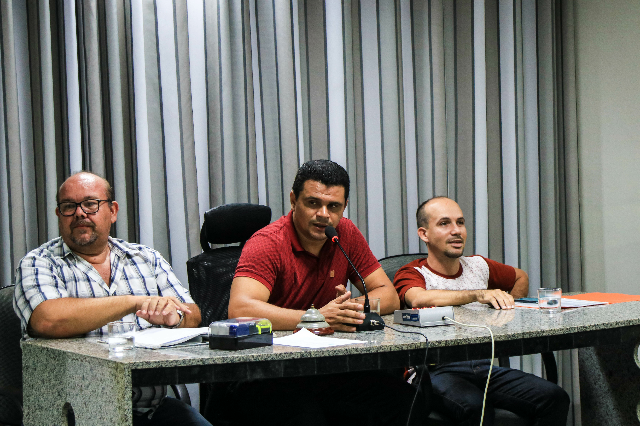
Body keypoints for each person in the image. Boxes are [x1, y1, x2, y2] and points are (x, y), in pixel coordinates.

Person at [226, 159, 429, 426]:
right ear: (293, 200)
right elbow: (240, 310)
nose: (323, 214)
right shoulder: (267, 243)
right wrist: (316, 318)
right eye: (313, 203)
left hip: (326, 366)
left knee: (407, 402)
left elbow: (388, 295)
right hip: (268, 371)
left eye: (333, 206)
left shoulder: (344, 233)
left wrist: (347, 310)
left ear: (344, 207)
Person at [13, 171, 210, 426]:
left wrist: (175, 318)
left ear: (113, 211)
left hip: (150, 408)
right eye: (69, 206)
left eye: (90, 204)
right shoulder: (38, 263)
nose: (80, 213)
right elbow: (48, 320)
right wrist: (132, 302)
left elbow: (193, 314)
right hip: (75, 413)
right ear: (59, 215)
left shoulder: (146, 258)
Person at [393, 196, 570, 426]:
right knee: (476, 407)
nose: (456, 231)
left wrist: (505, 312)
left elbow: (520, 277)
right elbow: (418, 298)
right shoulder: (412, 272)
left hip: (481, 366)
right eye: (444, 223)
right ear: (424, 234)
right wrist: (478, 294)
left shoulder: (478, 266)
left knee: (554, 398)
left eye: (460, 222)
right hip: (433, 371)